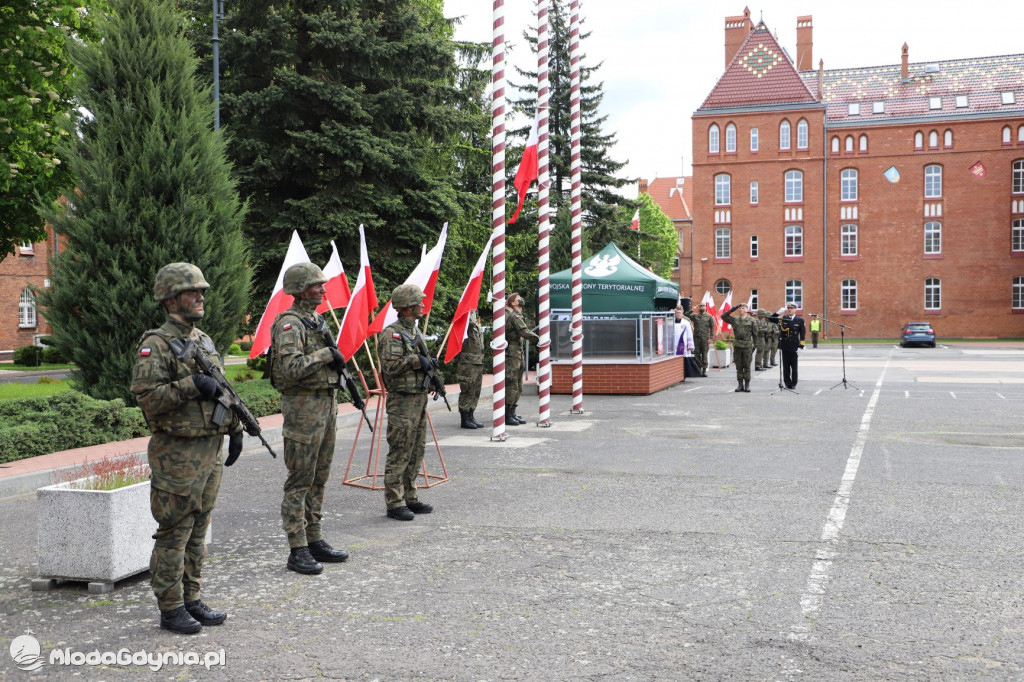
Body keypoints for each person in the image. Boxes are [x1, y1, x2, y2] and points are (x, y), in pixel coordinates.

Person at [131, 263, 239, 634]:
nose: (201, 297)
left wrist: (235, 427)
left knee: (198, 530)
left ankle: (191, 598)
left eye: (202, 291)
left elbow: (223, 390)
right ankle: (171, 606)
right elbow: (148, 399)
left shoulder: (204, 339)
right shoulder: (156, 344)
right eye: (193, 292)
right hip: (176, 453)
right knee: (175, 531)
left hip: (209, 449)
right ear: (171, 298)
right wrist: (191, 385)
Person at [270, 262, 349, 575]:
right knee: (300, 479)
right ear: (301, 288)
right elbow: (291, 368)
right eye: (317, 285)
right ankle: (297, 547)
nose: (323, 289)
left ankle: (314, 538)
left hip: (325, 405)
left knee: (320, 477)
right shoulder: (290, 324)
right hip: (303, 408)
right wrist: (326, 356)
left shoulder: (316, 320)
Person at [380, 284, 435, 521]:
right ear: (407, 306)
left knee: (416, 451)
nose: (423, 305)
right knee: (400, 451)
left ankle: (410, 496)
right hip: (402, 402)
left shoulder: (415, 332)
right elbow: (390, 367)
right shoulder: (391, 334)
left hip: (418, 400)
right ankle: (394, 502)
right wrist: (416, 360)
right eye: (419, 302)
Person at [504, 292, 540, 426]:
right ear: (513, 303)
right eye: (518, 299)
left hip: (517, 352)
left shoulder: (516, 315)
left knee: (518, 384)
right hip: (512, 353)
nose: (521, 300)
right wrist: (539, 339)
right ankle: (508, 414)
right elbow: (523, 331)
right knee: (512, 384)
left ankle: (512, 411)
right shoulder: (514, 315)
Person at [456, 310, 485, 429]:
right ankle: (465, 418)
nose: (474, 313)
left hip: (478, 362)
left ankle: (471, 415)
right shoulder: (466, 325)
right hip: (468, 363)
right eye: (472, 312)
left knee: (475, 390)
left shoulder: (476, 326)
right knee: (467, 389)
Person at [722, 302, 756, 392]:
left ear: (746, 309)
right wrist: (734, 308)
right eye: (739, 308)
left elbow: (755, 334)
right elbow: (723, 316)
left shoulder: (751, 320)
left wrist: (755, 345)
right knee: (739, 366)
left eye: (742, 308)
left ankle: (747, 385)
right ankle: (740, 385)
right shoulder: (735, 319)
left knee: (747, 366)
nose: (741, 309)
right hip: (737, 345)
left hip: (747, 345)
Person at [777, 303, 807, 388]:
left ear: (795, 309)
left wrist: (801, 346)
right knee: (786, 366)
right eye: (789, 308)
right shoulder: (783, 318)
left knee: (794, 366)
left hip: (794, 346)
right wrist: (777, 313)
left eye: (792, 308)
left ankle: (794, 383)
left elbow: (802, 334)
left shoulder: (800, 320)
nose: (790, 309)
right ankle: (787, 383)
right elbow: (772, 320)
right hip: (785, 345)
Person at [685, 303, 714, 376]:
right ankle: (699, 368)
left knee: (704, 353)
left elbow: (712, 328)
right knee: (696, 353)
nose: (702, 307)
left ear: (705, 307)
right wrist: (692, 310)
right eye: (700, 306)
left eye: (703, 306)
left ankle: (704, 370)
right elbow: (686, 315)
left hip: (705, 338)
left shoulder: (709, 317)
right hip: (696, 337)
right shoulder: (695, 316)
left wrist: (711, 338)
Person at [674, 306, 699, 379]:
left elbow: (690, 334)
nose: (678, 314)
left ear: (682, 314)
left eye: (679, 313)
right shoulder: (671, 322)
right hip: (674, 345)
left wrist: (690, 345)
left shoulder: (686, 323)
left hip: (683, 345)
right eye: (677, 313)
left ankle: (683, 376)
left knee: (684, 361)